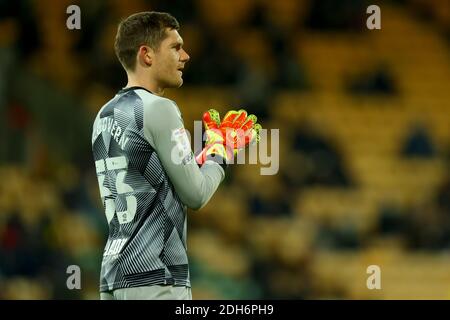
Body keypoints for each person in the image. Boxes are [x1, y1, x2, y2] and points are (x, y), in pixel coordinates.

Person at [91, 11, 259, 300]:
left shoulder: (103, 115)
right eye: (175, 47)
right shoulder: (159, 109)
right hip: (156, 274)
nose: (186, 55)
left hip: (114, 275)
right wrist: (222, 151)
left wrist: (206, 153)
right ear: (146, 55)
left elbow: (153, 182)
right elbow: (195, 194)